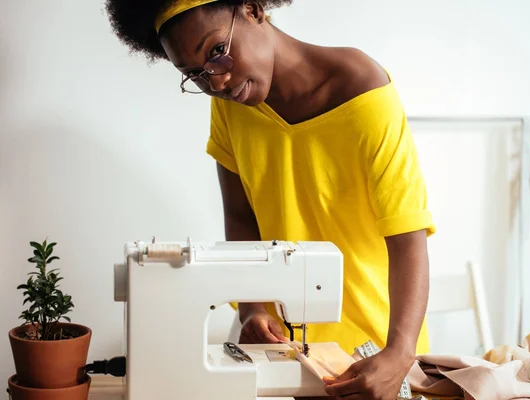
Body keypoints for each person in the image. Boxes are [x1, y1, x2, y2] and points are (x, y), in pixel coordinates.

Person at [105, 0, 436, 398]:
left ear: (253, 9)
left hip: (380, 349)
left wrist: (400, 352)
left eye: (216, 52)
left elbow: (407, 236)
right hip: (292, 354)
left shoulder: (362, 88)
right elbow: (242, 216)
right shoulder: (229, 108)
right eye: (194, 74)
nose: (216, 83)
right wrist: (253, 308)